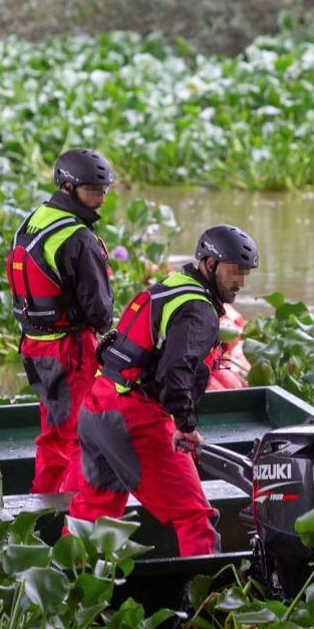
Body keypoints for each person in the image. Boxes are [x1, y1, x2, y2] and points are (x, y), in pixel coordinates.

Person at [68, 224, 259, 556]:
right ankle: (204, 604)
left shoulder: (170, 286)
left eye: (246, 273)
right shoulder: (199, 310)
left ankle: (70, 592)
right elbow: (175, 372)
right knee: (194, 517)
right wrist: (185, 426)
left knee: (93, 514)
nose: (241, 282)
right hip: (134, 418)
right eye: (234, 271)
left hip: (97, 406)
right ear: (210, 265)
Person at [6, 148, 115, 493]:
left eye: (103, 191)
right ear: (68, 187)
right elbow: (100, 313)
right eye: (91, 190)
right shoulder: (79, 238)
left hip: (33, 345)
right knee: (80, 436)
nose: (98, 200)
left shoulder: (35, 219)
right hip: (70, 350)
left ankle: (45, 502)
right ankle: (74, 514)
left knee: (52, 431)